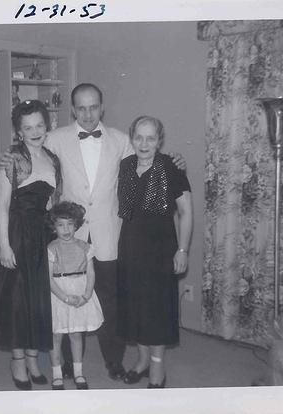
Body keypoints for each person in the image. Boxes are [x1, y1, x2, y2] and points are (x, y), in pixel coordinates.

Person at [0, 83, 186, 381]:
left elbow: (150, 158)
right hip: (67, 236)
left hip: (109, 235)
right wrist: (9, 157)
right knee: (68, 300)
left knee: (110, 301)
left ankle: (114, 361)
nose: (88, 114)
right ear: (73, 110)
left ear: (102, 107)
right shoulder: (55, 139)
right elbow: (28, 153)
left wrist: (175, 161)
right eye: (81, 108)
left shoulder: (122, 140)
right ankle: (73, 366)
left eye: (93, 107)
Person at [0, 100, 62, 391]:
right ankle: (17, 361)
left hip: (42, 234)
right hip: (15, 234)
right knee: (17, 299)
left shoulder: (53, 159)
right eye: (28, 127)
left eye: (39, 125)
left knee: (38, 299)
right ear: (19, 132)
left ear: (46, 126)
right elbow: (2, 206)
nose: (35, 131)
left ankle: (33, 358)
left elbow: (52, 201)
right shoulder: (11, 159)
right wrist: (4, 246)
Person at [116, 116, 193, 389]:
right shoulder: (125, 166)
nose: (144, 143)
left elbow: (185, 212)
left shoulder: (171, 167)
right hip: (130, 246)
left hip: (161, 248)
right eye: (139, 137)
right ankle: (142, 361)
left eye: (150, 138)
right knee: (136, 306)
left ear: (159, 140)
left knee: (157, 308)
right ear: (131, 138)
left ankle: (157, 367)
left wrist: (182, 250)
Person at [47, 201, 104, 391]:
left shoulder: (85, 247)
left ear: (77, 225)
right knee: (56, 336)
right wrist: (64, 297)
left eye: (70, 224)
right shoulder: (51, 248)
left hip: (80, 292)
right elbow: (49, 279)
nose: (66, 229)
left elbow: (91, 273)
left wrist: (86, 296)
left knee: (76, 334)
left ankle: (78, 372)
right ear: (53, 227)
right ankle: (57, 375)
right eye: (61, 225)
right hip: (59, 295)